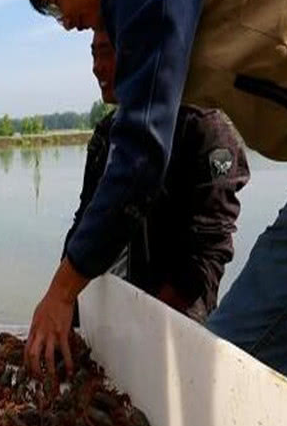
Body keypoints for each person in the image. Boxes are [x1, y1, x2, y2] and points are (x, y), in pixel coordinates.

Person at [23, 0, 287, 377]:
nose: (65, 24)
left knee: (234, 363)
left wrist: (61, 293)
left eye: (56, 1)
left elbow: (142, 154)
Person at [67, 29, 249, 322]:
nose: (96, 66)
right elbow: (83, 225)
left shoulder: (203, 128)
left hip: (173, 320)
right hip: (111, 314)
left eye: (106, 52)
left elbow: (207, 252)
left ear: (138, 53)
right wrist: (64, 303)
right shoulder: (105, 135)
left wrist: (143, 323)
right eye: (93, 53)